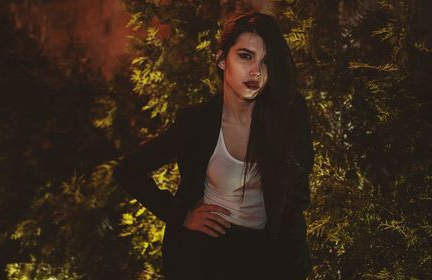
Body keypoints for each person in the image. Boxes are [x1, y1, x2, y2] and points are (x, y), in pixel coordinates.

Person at [114, 12, 314, 280]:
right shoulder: (197, 122)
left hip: (266, 258)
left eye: (265, 62)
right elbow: (129, 170)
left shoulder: (289, 116)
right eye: (245, 56)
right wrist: (181, 215)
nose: (256, 71)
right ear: (221, 59)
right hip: (206, 257)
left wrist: (296, 267)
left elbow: (296, 199)